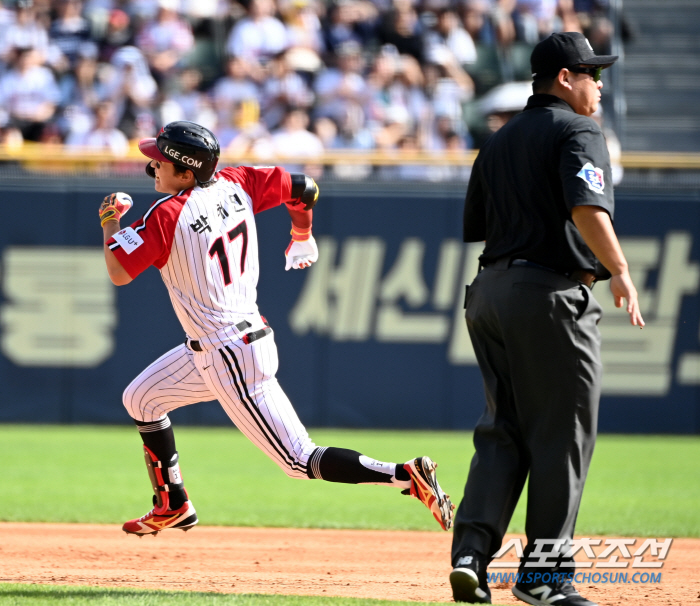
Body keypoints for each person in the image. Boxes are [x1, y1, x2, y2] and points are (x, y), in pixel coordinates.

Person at [98, 120, 454, 537]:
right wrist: (301, 233)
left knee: (299, 461)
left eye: (159, 160)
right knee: (141, 398)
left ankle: (406, 475)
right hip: (230, 341)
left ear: (187, 172)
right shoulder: (237, 181)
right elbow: (305, 187)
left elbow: (119, 272)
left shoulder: (169, 213)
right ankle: (172, 504)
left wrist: (109, 221)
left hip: (227, 352)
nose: (152, 166)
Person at [448, 32, 644, 605]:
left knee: (501, 433)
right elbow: (586, 207)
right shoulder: (579, 129)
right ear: (565, 78)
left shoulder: (498, 140)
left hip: (489, 294)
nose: (599, 84)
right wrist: (620, 269)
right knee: (561, 436)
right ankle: (544, 578)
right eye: (591, 73)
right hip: (551, 297)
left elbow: (483, 225)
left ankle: (470, 557)